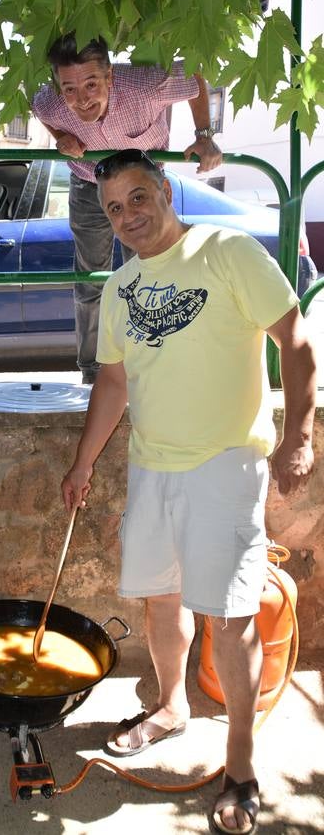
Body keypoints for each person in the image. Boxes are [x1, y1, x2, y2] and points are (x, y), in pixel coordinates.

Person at [61, 150, 316, 835]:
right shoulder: (119, 287)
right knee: (160, 599)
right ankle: (170, 706)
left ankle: (239, 766)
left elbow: (295, 339)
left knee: (230, 620)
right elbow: (113, 384)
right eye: (114, 208)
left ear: (165, 191)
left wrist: (298, 435)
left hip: (225, 465)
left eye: (138, 197)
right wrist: (84, 462)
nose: (128, 216)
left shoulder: (226, 250)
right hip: (152, 465)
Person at [32, 32, 223, 384]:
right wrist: (60, 137)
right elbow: (37, 105)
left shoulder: (147, 86)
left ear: (109, 77)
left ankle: (153, 365)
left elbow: (196, 74)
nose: (82, 99)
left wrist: (204, 134)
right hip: (90, 183)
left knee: (152, 273)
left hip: (142, 185)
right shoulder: (52, 104)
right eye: (69, 89)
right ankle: (93, 372)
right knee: (90, 278)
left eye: (91, 84)